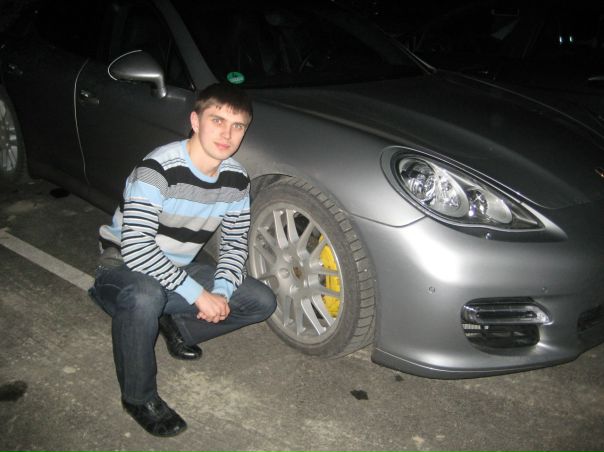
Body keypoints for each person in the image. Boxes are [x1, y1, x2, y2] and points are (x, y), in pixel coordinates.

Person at [88, 83, 276, 437]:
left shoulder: (236, 180)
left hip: (175, 270)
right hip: (122, 268)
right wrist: (197, 294)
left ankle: (175, 323)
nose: (227, 134)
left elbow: (235, 244)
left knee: (261, 301)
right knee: (145, 296)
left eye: (237, 126)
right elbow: (137, 249)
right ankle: (138, 397)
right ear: (195, 121)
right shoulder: (157, 170)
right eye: (217, 120)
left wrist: (220, 292)